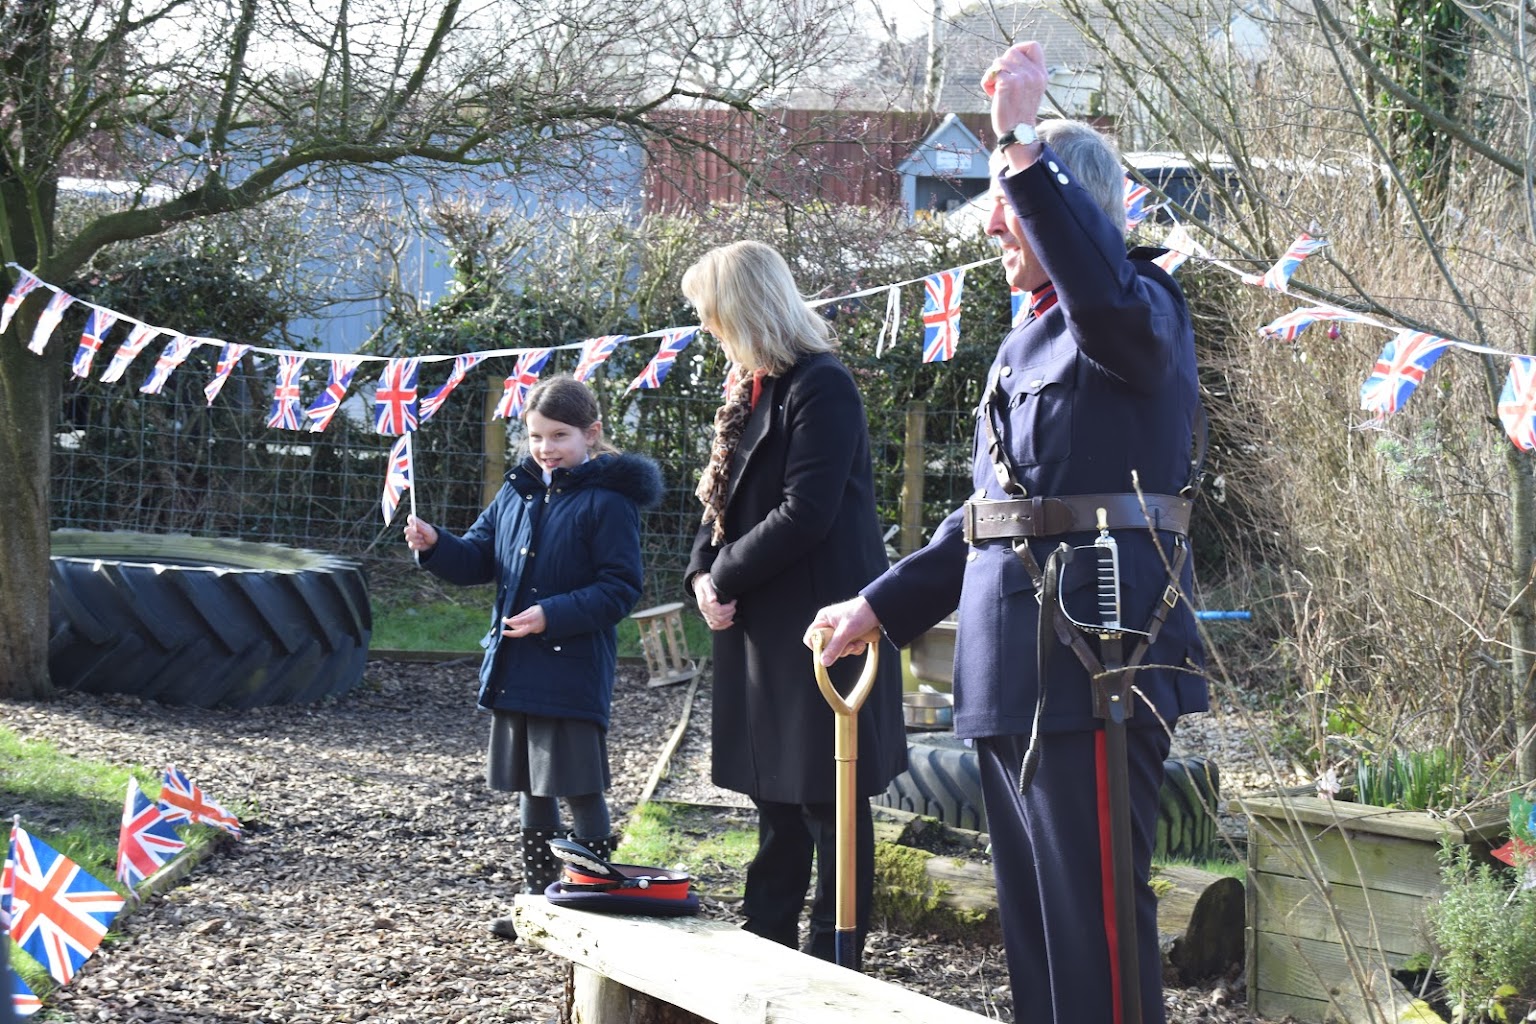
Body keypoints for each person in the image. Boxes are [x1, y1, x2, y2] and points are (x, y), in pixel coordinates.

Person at [806, 42, 1208, 1024]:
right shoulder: (1022, 341)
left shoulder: (1139, 308)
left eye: (1015, 201)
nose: (996, 222)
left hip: (1098, 658)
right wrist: (880, 604)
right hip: (1008, 668)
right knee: (1033, 935)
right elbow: (986, 517)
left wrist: (1023, 145)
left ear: (1073, 204)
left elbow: (1101, 290)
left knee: (1096, 927)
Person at [682, 240, 906, 967]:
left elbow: (805, 511)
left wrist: (725, 579)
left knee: (828, 804)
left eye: (711, 314)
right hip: (764, 625)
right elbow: (717, 500)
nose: (707, 328)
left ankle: (836, 963)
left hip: (823, 629)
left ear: (743, 311)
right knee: (774, 799)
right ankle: (768, 947)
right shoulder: (748, 387)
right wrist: (698, 576)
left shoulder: (822, 385)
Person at [403, 373, 662, 939]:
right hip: (517, 664)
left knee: (580, 786)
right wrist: (436, 544)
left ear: (591, 434)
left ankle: (592, 902)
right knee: (532, 786)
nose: (545, 448)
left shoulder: (609, 502)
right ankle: (539, 905)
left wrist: (553, 614)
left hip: (570, 668)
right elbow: (477, 557)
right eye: (536, 436)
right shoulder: (517, 490)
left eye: (559, 435)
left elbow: (621, 588)